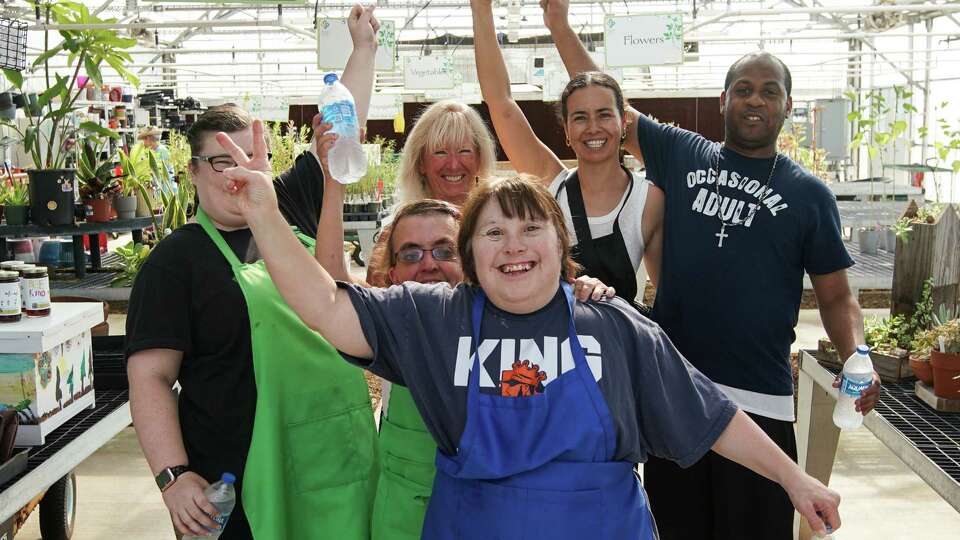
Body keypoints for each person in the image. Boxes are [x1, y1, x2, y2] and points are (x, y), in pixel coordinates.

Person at [215, 128, 844, 538]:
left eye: (529, 229)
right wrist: (266, 215)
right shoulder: (435, 317)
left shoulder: (615, 325)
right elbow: (325, 307)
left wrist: (796, 479)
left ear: (560, 244)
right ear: (470, 255)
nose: (513, 246)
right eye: (492, 233)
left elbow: (709, 412)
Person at [541, 1, 879, 538]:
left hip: (761, 403)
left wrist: (856, 352)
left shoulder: (808, 195)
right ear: (723, 99)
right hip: (680, 393)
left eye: (770, 91)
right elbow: (604, 98)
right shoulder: (683, 153)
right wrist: (559, 27)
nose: (755, 99)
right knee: (676, 528)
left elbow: (837, 296)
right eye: (744, 88)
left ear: (788, 105)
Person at [125, 6, 381, 539]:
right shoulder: (177, 262)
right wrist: (174, 478)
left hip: (336, 459)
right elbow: (150, 377)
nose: (238, 171)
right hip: (238, 482)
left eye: (250, 154)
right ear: (193, 172)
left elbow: (343, 123)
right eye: (221, 161)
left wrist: (364, 48)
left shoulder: (290, 206)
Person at [470, 0, 664, 305]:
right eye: (580, 117)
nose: (593, 128)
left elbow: (666, 292)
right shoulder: (552, 185)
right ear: (567, 131)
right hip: (551, 343)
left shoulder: (649, 200)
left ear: (623, 122)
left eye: (604, 114)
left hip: (617, 343)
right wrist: (481, 11)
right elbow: (500, 102)